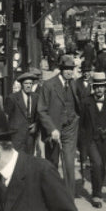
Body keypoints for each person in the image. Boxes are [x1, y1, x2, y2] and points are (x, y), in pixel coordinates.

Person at [37, 54, 80, 197]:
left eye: (71, 69)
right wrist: (51, 129)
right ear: (61, 69)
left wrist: (76, 118)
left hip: (70, 128)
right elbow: (41, 110)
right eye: (67, 69)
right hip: (54, 130)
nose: (69, 72)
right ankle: (53, 195)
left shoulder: (73, 83)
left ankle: (69, 198)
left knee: (69, 163)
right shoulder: (49, 85)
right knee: (52, 163)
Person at [80, 71, 106, 208]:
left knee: (102, 166)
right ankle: (96, 195)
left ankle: (98, 188)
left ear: (105, 87)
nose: (99, 89)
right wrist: (82, 148)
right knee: (96, 163)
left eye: (102, 86)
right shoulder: (86, 102)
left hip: (105, 138)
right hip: (90, 139)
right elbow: (82, 125)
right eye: (96, 86)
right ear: (93, 87)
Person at [4, 71, 39, 154]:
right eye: (26, 83)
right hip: (17, 135)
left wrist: (36, 124)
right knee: (17, 159)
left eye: (30, 83)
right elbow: (6, 116)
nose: (28, 86)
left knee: (29, 159)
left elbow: (39, 114)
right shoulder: (12, 98)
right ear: (22, 85)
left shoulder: (36, 97)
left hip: (30, 136)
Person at [75, 60, 93, 186]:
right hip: (81, 116)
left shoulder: (95, 82)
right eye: (85, 72)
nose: (87, 74)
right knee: (81, 141)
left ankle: (91, 163)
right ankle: (83, 160)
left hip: (92, 116)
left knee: (91, 140)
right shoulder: (77, 83)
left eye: (88, 71)